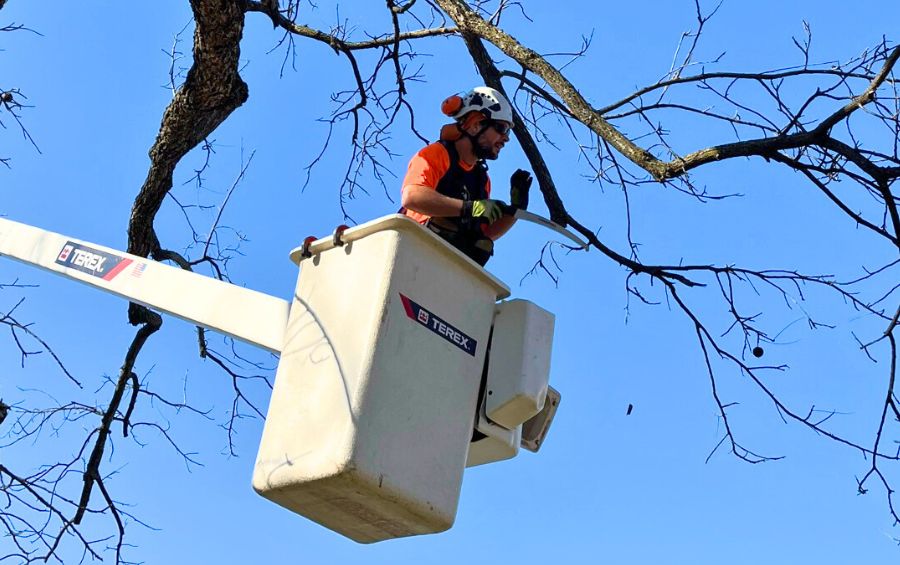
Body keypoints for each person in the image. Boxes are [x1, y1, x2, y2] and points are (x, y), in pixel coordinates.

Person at [400, 86, 533, 266]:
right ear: (476, 125)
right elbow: (412, 197)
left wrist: (516, 210)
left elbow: (485, 234)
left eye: (508, 131)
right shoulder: (436, 154)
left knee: (481, 244)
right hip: (415, 248)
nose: (506, 138)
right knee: (445, 223)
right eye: (501, 128)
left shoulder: (481, 180)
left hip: (449, 267)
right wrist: (469, 208)